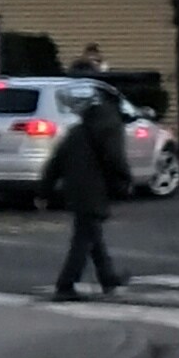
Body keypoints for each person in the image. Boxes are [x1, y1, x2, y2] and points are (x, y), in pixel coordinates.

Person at [50, 85, 130, 299]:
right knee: (84, 239)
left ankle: (108, 277)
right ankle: (65, 285)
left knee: (91, 234)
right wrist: (123, 181)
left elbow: (57, 160)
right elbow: (115, 158)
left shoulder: (78, 131)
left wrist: (44, 188)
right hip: (95, 188)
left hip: (76, 188)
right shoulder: (110, 127)